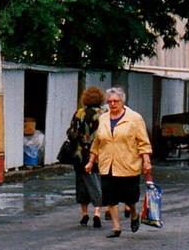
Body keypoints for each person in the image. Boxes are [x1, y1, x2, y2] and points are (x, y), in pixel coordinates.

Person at [85, 86, 153, 238]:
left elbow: (143, 142)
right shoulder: (103, 118)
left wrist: (146, 161)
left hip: (128, 164)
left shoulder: (134, 118)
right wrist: (91, 162)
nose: (113, 104)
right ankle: (116, 227)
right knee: (110, 196)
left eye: (116, 101)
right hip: (107, 164)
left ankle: (134, 214)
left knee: (130, 197)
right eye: (110, 102)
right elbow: (97, 142)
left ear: (122, 101)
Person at [65, 86, 105, 227]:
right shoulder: (103, 114)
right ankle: (97, 213)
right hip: (97, 155)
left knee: (81, 183)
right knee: (96, 182)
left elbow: (72, 134)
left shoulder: (79, 113)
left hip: (80, 155)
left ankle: (84, 214)